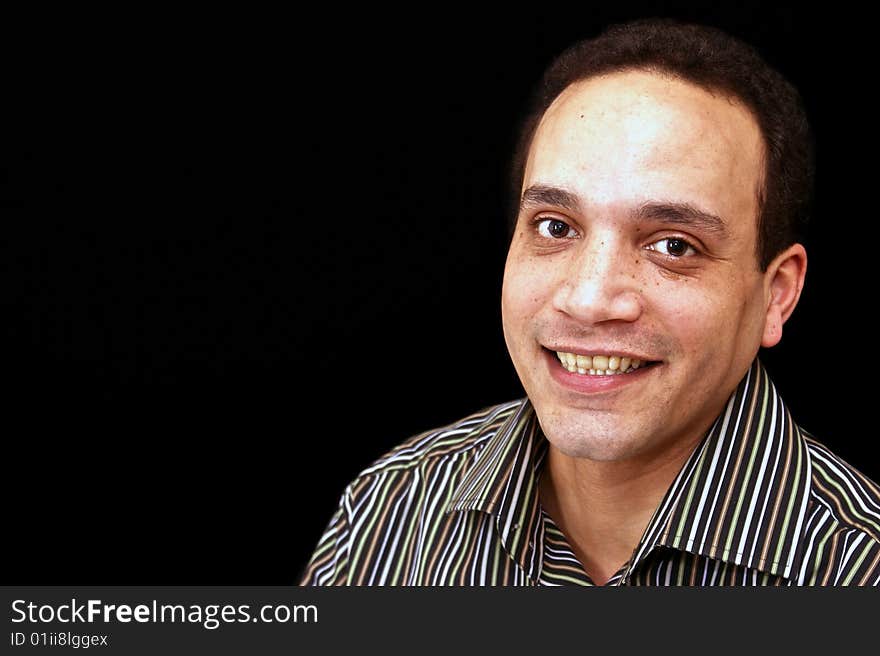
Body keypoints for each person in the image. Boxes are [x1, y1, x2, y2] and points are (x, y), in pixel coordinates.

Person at [299, 18, 880, 586]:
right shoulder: (391, 508)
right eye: (555, 227)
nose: (589, 298)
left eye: (673, 245)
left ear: (776, 295)